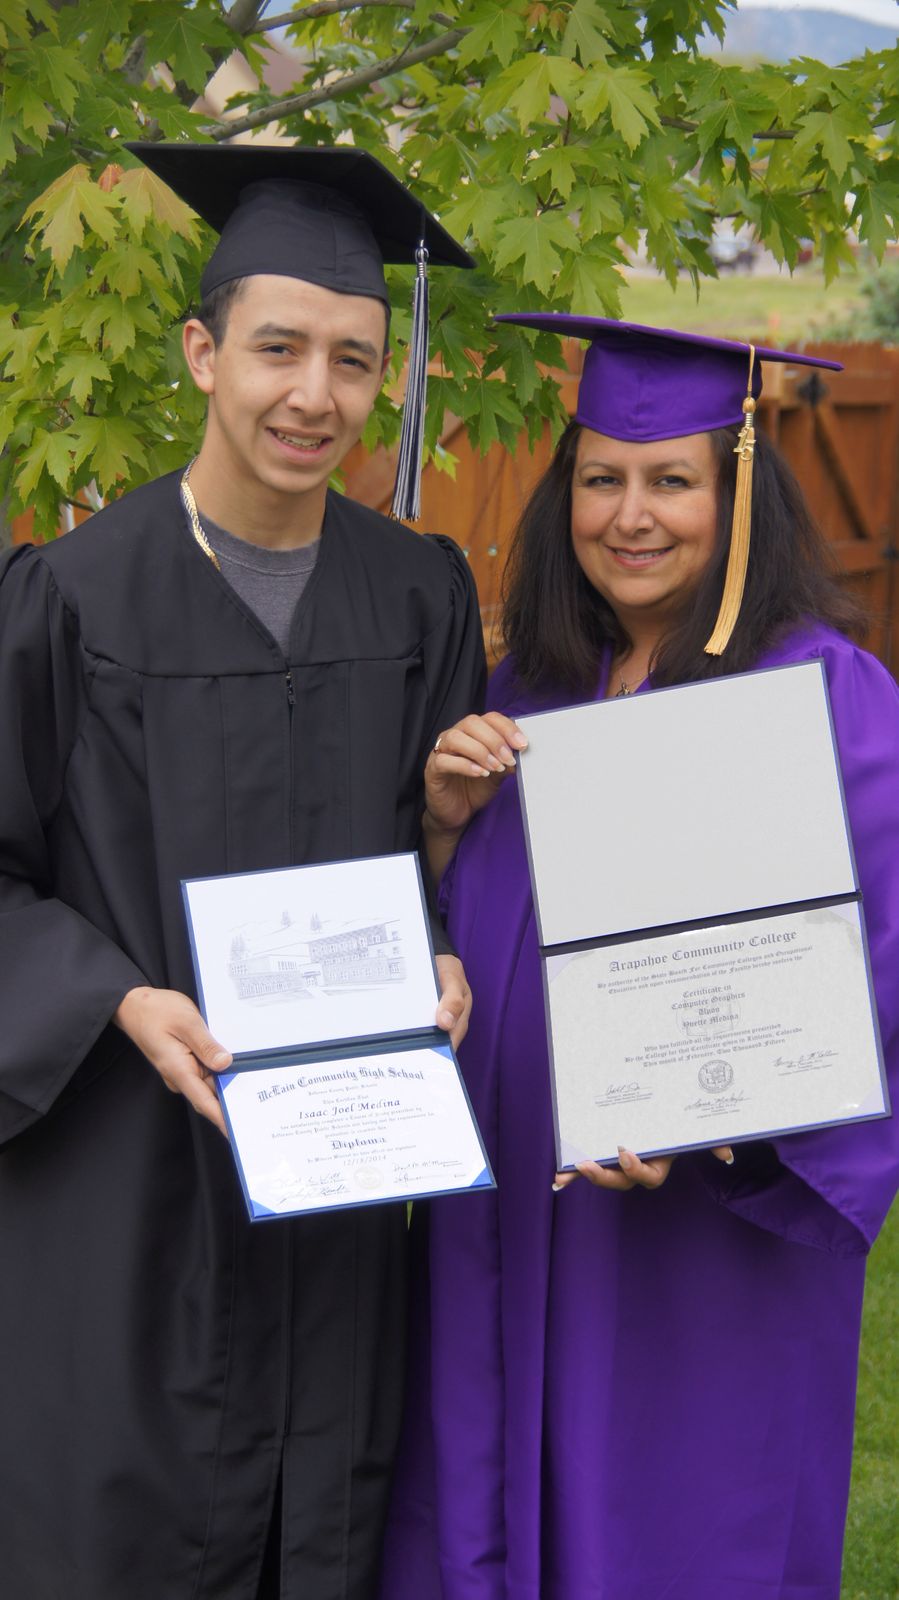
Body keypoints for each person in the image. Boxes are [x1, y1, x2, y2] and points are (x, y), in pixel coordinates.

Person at [0, 142, 486, 1600]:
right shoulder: (68, 600)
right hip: (125, 1189)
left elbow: (423, 860)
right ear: (202, 353)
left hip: (340, 1189)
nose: (313, 394)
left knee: (320, 1531)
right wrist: (116, 998)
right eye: (278, 348)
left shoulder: (417, 597)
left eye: (352, 359)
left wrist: (440, 923)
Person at [379, 316, 899, 1600]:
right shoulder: (528, 694)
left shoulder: (823, 697)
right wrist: (442, 832)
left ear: (738, 496)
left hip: (697, 1244)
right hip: (512, 1209)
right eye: (600, 478)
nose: (629, 516)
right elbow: (472, 950)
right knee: (490, 1495)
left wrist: (727, 1126)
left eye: (671, 481)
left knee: (679, 1527)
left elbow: (877, 971)